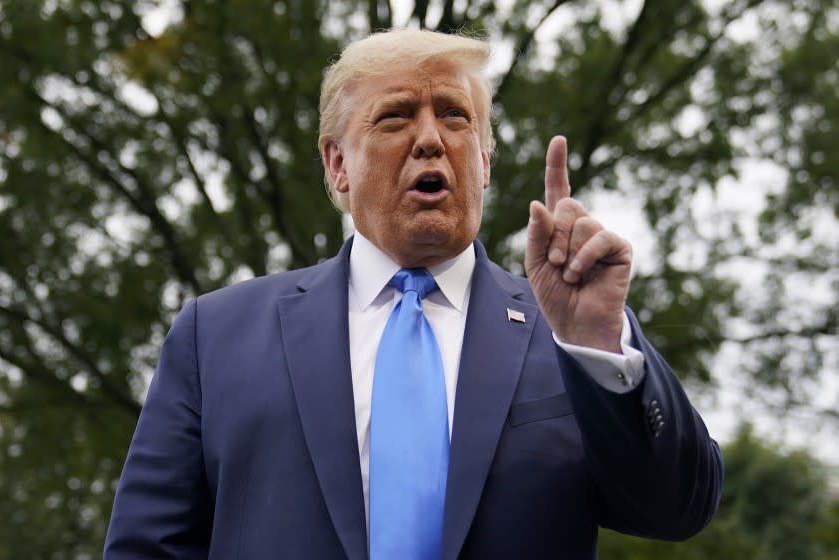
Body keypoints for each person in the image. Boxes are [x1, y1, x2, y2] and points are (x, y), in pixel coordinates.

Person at [104, 29, 723, 559]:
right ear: (338, 165)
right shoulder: (214, 337)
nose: (430, 138)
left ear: (483, 162)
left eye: (454, 116)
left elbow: (677, 509)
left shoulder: (570, 332)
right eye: (396, 115)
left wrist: (595, 343)